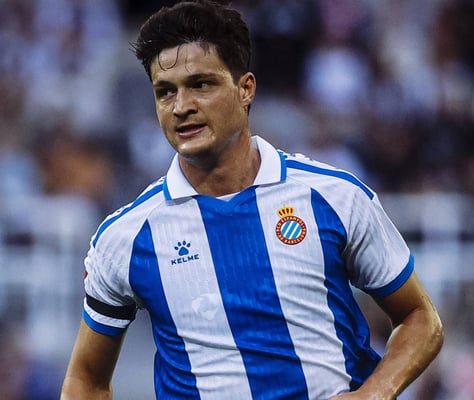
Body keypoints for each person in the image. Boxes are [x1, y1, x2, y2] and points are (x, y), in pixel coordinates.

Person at [60, 1, 444, 399]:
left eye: (201, 85)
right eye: (165, 92)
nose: (181, 106)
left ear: (245, 89)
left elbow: (420, 317)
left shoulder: (333, 197)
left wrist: (372, 394)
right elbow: (84, 380)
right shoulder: (125, 237)